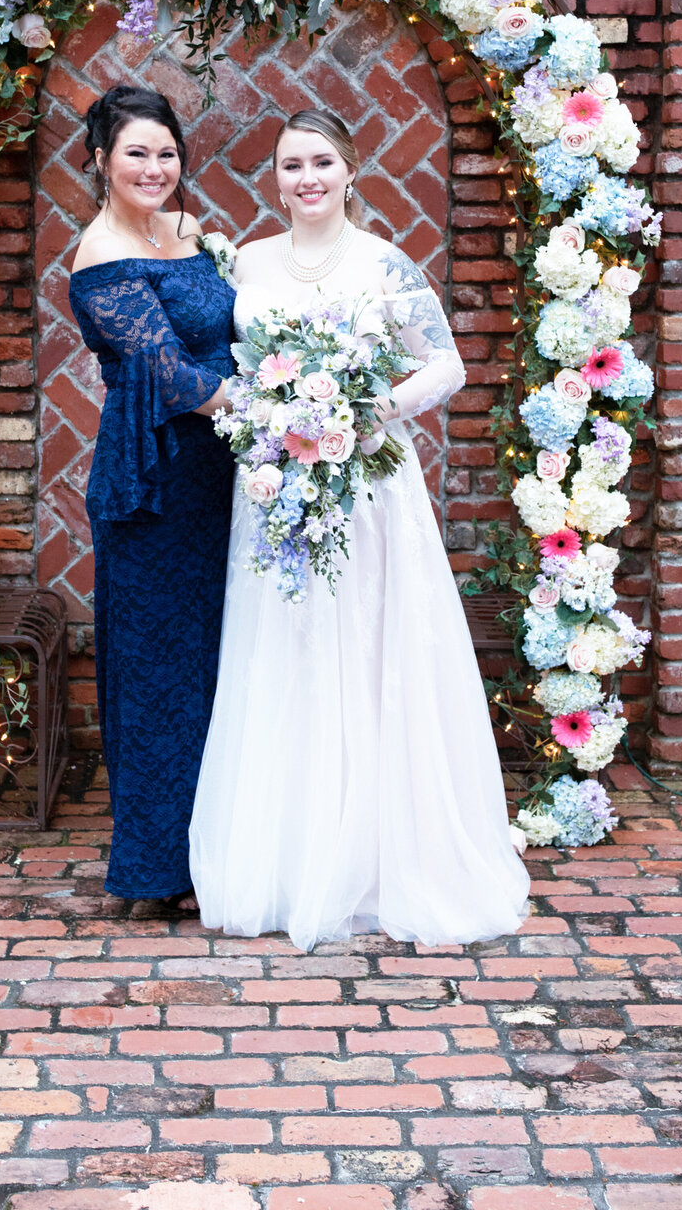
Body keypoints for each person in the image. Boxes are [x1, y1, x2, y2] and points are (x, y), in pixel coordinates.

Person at [189, 108, 530, 950]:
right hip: (273, 486)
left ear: (350, 171)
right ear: (274, 178)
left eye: (320, 163)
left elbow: (447, 362)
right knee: (287, 648)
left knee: (374, 649)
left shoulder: (384, 261)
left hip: (369, 486)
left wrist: (378, 405)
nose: (305, 179)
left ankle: (382, 854)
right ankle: (292, 856)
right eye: (289, 165)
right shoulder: (242, 263)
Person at [68, 84, 235, 917]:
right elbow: (170, 375)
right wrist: (282, 405)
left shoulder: (192, 233)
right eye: (136, 152)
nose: (154, 167)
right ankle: (155, 867)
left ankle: (226, 850)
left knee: (225, 663)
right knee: (160, 670)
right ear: (100, 160)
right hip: (155, 486)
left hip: (230, 479)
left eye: (166, 152)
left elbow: (234, 331)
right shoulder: (99, 254)